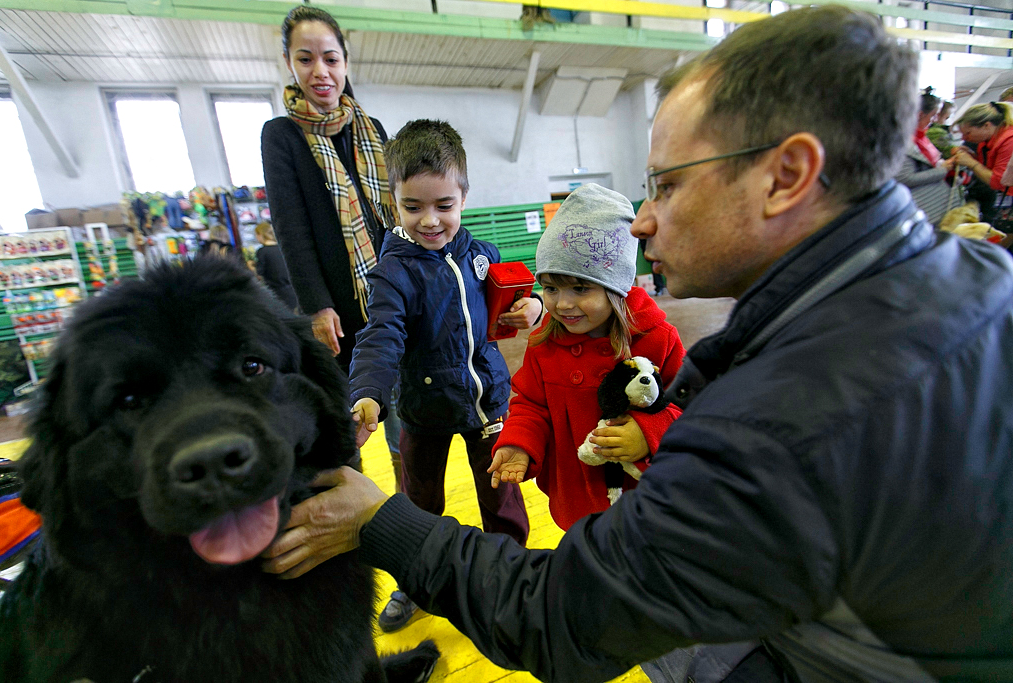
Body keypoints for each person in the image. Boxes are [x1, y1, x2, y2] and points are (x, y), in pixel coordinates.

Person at [262, 7, 1013, 682]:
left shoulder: (777, 425)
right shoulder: (988, 273)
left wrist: (377, 522)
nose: (643, 222)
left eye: (666, 185)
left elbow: (562, 621)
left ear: (787, 176)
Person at [348, 119, 540, 633]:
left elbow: (515, 296)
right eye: (413, 207)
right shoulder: (393, 271)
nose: (429, 221)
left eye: (443, 205)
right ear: (394, 203)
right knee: (418, 503)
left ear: (463, 196)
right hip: (423, 409)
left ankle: (512, 577)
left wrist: (533, 307)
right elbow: (381, 335)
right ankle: (416, 584)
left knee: (502, 496)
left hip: (487, 404)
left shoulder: (481, 254)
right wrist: (367, 391)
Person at [261, 4, 404, 488]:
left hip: (389, 298)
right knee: (347, 427)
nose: (320, 72)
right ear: (289, 64)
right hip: (336, 314)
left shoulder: (372, 130)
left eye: (330, 58)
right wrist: (317, 306)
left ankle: (413, 510)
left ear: (345, 62)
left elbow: (394, 219)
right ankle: (349, 513)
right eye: (306, 59)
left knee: (403, 418)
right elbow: (291, 227)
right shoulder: (282, 136)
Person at [488, 184, 685, 530]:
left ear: (617, 288)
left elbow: (690, 407)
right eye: (550, 288)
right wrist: (520, 444)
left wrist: (648, 433)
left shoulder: (657, 339)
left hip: (648, 505)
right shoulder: (543, 343)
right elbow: (531, 405)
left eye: (580, 288)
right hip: (575, 502)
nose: (562, 304)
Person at [896, 87, 957, 226]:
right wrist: (943, 170)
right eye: (933, 115)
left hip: (935, 205)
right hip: (923, 208)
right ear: (920, 114)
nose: (935, 120)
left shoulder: (922, 137)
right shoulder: (904, 142)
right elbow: (905, 178)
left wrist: (943, 164)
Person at [952, 101, 1013, 223]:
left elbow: (998, 181)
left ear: (986, 126)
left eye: (968, 133)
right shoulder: (988, 140)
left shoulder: (1009, 140)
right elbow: (989, 167)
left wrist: (971, 163)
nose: (964, 139)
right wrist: (972, 156)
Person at [253, 221, 298, 311]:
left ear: (260, 235)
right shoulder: (282, 248)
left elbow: (259, 273)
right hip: (292, 291)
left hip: (275, 292)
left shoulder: (262, 251)